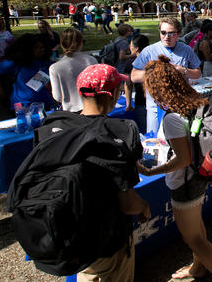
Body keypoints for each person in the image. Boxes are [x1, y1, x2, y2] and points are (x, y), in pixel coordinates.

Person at [136, 57, 212, 282]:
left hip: (184, 183)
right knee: (197, 228)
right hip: (200, 175)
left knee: (194, 240)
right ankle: (198, 268)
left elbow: (182, 159)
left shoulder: (172, 118)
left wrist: (152, 172)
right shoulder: (196, 101)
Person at [73, 64, 150, 281]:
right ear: (114, 93)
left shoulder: (57, 127)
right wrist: (144, 207)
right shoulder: (119, 133)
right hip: (108, 237)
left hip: (73, 231)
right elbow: (128, 203)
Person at [130, 17, 202, 134]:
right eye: (163, 33)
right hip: (156, 106)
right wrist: (158, 72)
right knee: (155, 140)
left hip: (180, 104)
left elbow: (197, 74)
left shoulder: (186, 50)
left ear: (178, 33)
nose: (166, 37)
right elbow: (134, 76)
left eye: (171, 33)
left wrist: (183, 70)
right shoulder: (148, 51)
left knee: (180, 139)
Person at [0, 34, 55, 110]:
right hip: (23, 106)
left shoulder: (45, 62)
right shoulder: (15, 63)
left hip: (46, 104)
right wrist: (0, 91)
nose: (41, 50)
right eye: (36, 47)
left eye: (42, 47)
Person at [49, 28, 98, 112]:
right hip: (92, 107)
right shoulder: (91, 60)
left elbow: (57, 96)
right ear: (80, 43)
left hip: (71, 110)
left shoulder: (55, 67)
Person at [122, 34, 149, 132]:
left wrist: (128, 104)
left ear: (136, 48)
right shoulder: (155, 59)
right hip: (157, 101)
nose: (130, 47)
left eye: (131, 45)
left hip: (141, 101)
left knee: (144, 132)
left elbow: (128, 84)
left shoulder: (131, 63)